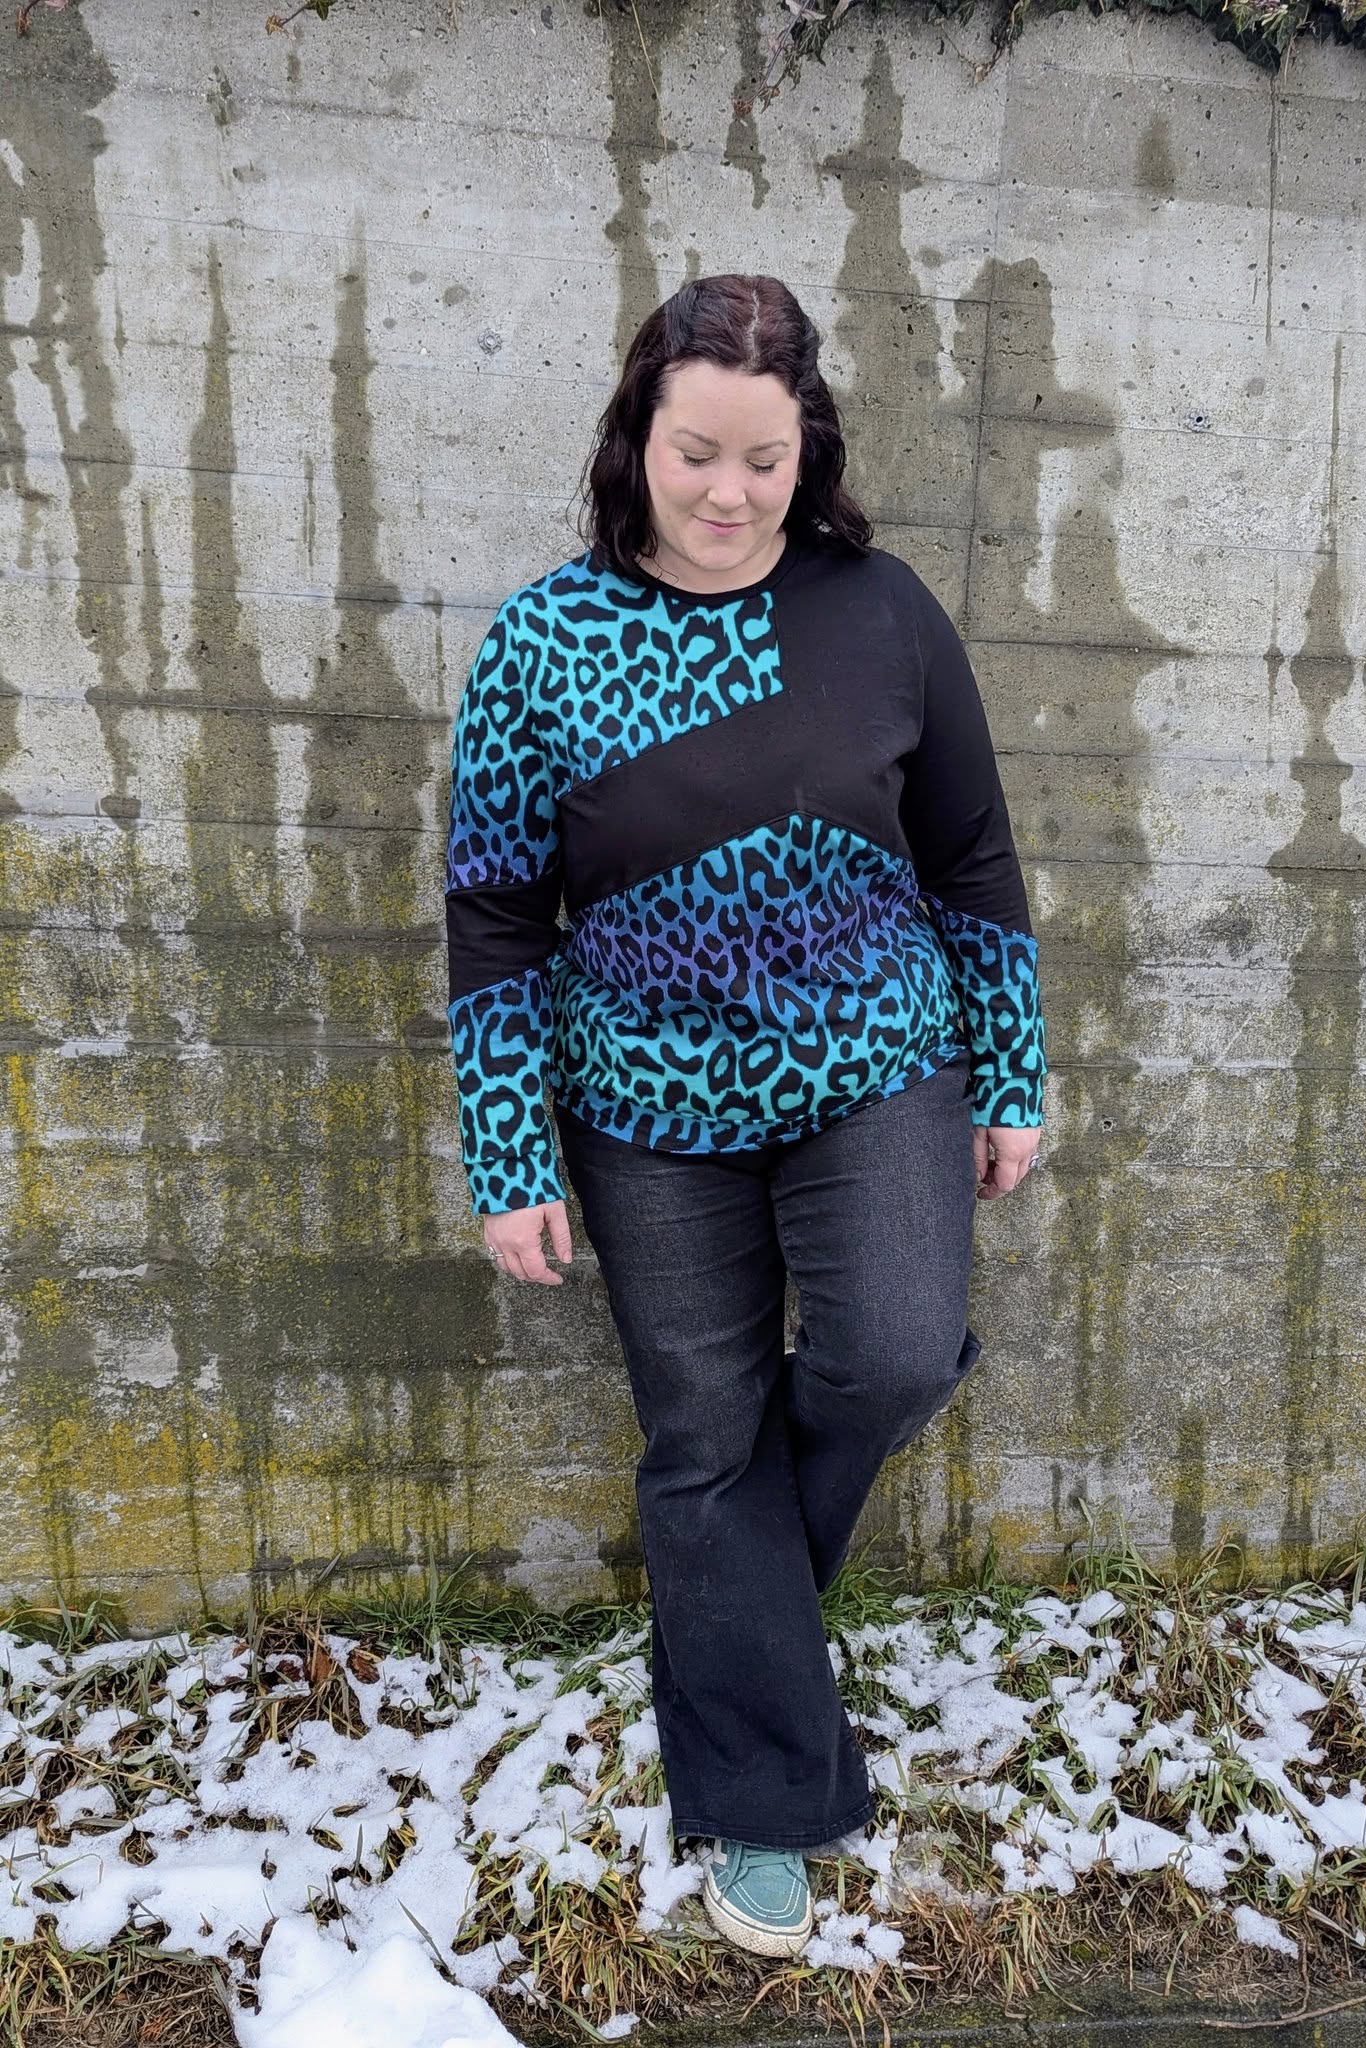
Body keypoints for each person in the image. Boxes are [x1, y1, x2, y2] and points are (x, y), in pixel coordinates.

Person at [443, 273, 1046, 1960]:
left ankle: (734, 1600)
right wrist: (509, 1151)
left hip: (878, 1060)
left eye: (763, 462)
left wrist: (1009, 1071)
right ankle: (769, 1795)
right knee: (699, 1439)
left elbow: (971, 857)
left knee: (895, 1354)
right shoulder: (543, 640)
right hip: (642, 1098)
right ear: (634, 440)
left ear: (809, 453)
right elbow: (494, 913)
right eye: (693, 453)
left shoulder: (881, 611)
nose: (726, 494)